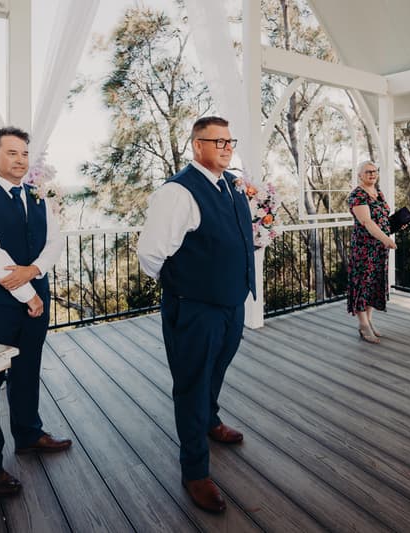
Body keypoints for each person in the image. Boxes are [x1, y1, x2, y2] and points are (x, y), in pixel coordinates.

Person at [138, 116, 255, 513]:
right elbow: (150, 254)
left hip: (231, 303)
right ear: (197, 146)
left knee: (216, 369)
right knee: (190, 383)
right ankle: (194, 472)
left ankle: (211, 421)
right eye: (216, 141)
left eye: (229, 140)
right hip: (195, 308)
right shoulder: (177, 193)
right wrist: (185, 288)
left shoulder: (231, 186)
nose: (225, 147)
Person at [0, 126, 71, 497]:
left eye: (24, 154)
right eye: (11, 153)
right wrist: (28, 294)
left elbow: (55, 242)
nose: (19, 160)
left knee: (27, 371)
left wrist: (35, 272)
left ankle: (28, 434)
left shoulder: (39, 196)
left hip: (36, 295)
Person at [347, 160, 397, 344]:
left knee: (374, 284)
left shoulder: (378, 193)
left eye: (375, 171)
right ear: (360, 175)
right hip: (364, 248)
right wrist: (386, 239)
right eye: (368, 171)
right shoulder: (357, 195)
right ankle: (363, 325)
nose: (372, 174)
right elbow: (367, 222)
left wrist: (397, 225)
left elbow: (383, 220)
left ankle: (369, 321)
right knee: (362, 284)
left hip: (379, 249)